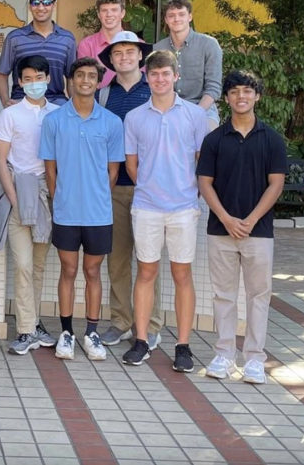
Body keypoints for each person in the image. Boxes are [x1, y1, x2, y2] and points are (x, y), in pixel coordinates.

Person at [197, 70, 287, 385]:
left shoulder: (272, 139)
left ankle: (254, 359)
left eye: (247, 92)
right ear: (226, 98)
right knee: (223, 295)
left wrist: (249, 220)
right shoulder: (214, 139)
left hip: (258, 231)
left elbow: (276, 184)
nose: (241, 97)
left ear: (257, 96)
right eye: (234, 92)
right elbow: (204, 182)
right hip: (220, 229)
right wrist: (226, 218)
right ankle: (223, 354)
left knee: (258, 295)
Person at [122, 50, 208, 371]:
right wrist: (151, 186)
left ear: (176, 76)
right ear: (147, 77)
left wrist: (186, 191)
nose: (160, 79)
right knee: (145, 272)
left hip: (184, 208)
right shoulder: (134, 117)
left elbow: (202, 161)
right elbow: (131, 165)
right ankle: (141, 341)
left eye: (165, 74)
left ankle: (183, 346)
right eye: (154, 74)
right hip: (146, 207)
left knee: (182, 274)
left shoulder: (195, 116)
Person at [39, 58, 124, 362]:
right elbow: (50, 169)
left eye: (92, 76)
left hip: (99, 213)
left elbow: (113, 171)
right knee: (69, 270)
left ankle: (91, 332)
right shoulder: (54, 121)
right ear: (70, 81)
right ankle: (66, 332)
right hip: (66, 211)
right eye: (80, 75)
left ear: (99, 82)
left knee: (92, 271)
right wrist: (59, 198)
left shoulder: (112, 122)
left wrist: (97, 196)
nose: (86, 80)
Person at [94, 32, 163, 351]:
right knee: (117, 259)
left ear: (140, 56)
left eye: (129, 52)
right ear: (110, 60)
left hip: (150, 190)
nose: (123, 57)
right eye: (117, 53)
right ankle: (120, 321)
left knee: (149, 260)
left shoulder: (155, 91)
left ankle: (150, 325)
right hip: (115, 188)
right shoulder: (103, 95)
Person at [0, 55, 59, 355]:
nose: (35, 83)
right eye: (28, 79)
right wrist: (13, 197)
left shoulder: (59, 114)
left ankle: (33, 324)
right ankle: (24, 329)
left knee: (37, 266)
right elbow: (0, 160)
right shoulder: (11, 114)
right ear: (19, 82)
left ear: (48, 79)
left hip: (48, 196)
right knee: (21, 264)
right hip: (20, 192)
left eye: (40, 77)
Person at [0, 0, 77, 107]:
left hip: (56, 103)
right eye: (35, 3)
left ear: (54, 5)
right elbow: (2, 74)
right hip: (22, 102)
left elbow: (71, 77)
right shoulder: (15, 38)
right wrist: (6, 102)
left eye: (46, 3)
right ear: (30, 6)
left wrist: (74, 106)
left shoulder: (67, 39)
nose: (41, 8)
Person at [152, 0, 222, 129]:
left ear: (190, 17)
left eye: (181, 14)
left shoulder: (209, 44)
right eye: (171, 16)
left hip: (202, 109)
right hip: (167, 109)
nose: (176, 19)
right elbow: (155, 85)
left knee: (207, 138)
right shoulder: (158, 49)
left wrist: (196, 113)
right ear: (166, 20)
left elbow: (213, 88)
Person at [76, 0, 132, 88]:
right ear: (98, 14)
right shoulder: (86, 45)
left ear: (122, 13)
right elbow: (85, 82)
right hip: (98, 100)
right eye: (104, 10)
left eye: (114, 10)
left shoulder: (137, 44)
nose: (109, 14)